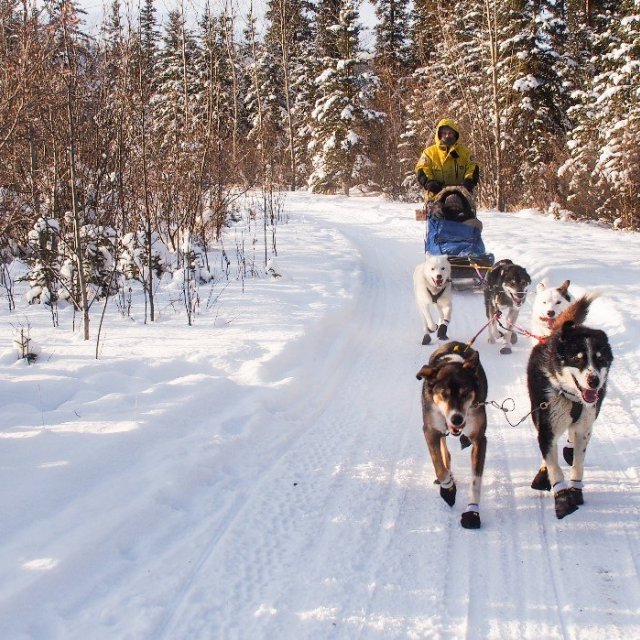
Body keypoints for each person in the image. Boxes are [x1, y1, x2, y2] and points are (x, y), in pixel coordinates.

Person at [415, 118, 480, 224]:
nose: (447, 135)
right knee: (437, 216)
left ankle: (470, 235)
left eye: (450, 133)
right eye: (444, 133)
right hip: (436, 196)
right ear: (439, 135)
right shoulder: (429, 153)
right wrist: (429, 182)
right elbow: (422, 168)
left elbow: (473, 166)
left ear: (455, 134)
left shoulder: (465, 153)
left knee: (468, 218)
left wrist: (469, 180)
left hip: (461, 195)